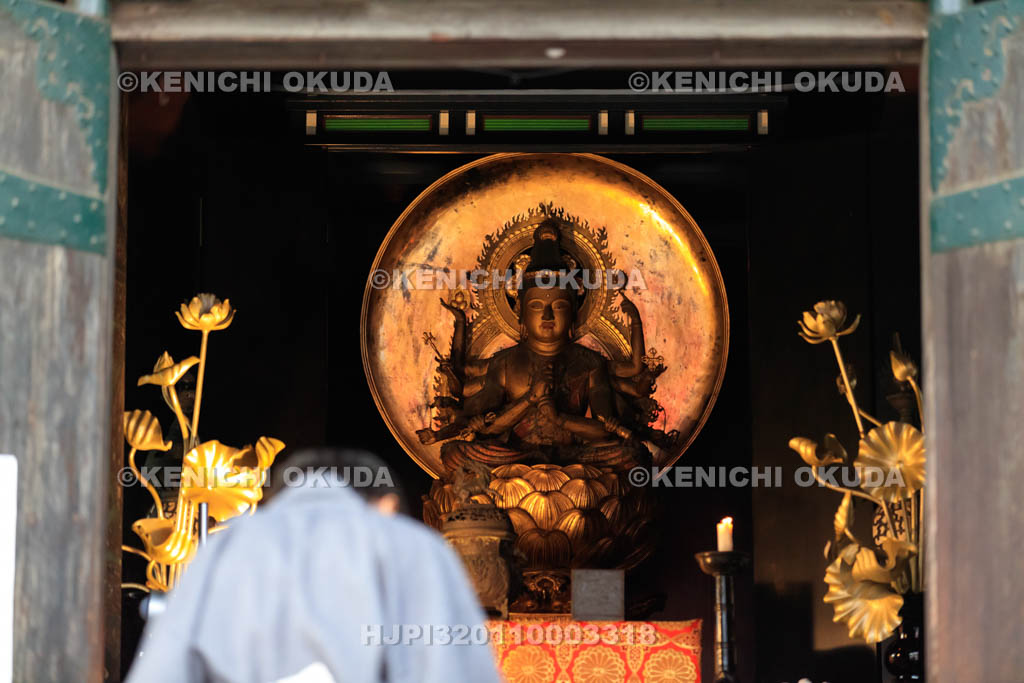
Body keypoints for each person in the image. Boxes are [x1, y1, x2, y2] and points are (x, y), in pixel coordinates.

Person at [125, 448, 502, 683]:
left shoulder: (228, 547)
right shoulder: (416, 546)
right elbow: (458, 668)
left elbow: (165, 669)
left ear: (271, 499)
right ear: (386, 504)